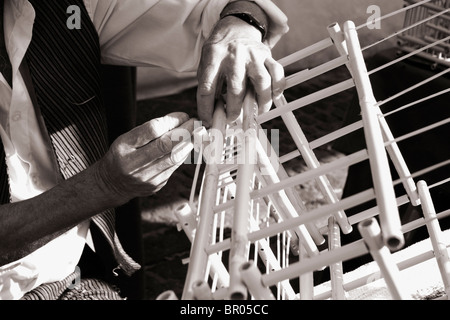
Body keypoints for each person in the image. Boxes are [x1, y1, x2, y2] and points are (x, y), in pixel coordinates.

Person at [0, 0, 289, 300]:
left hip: (70, 279)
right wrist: (102, 185)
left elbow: (214, 11)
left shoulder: (58, 7)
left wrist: (238, 25)